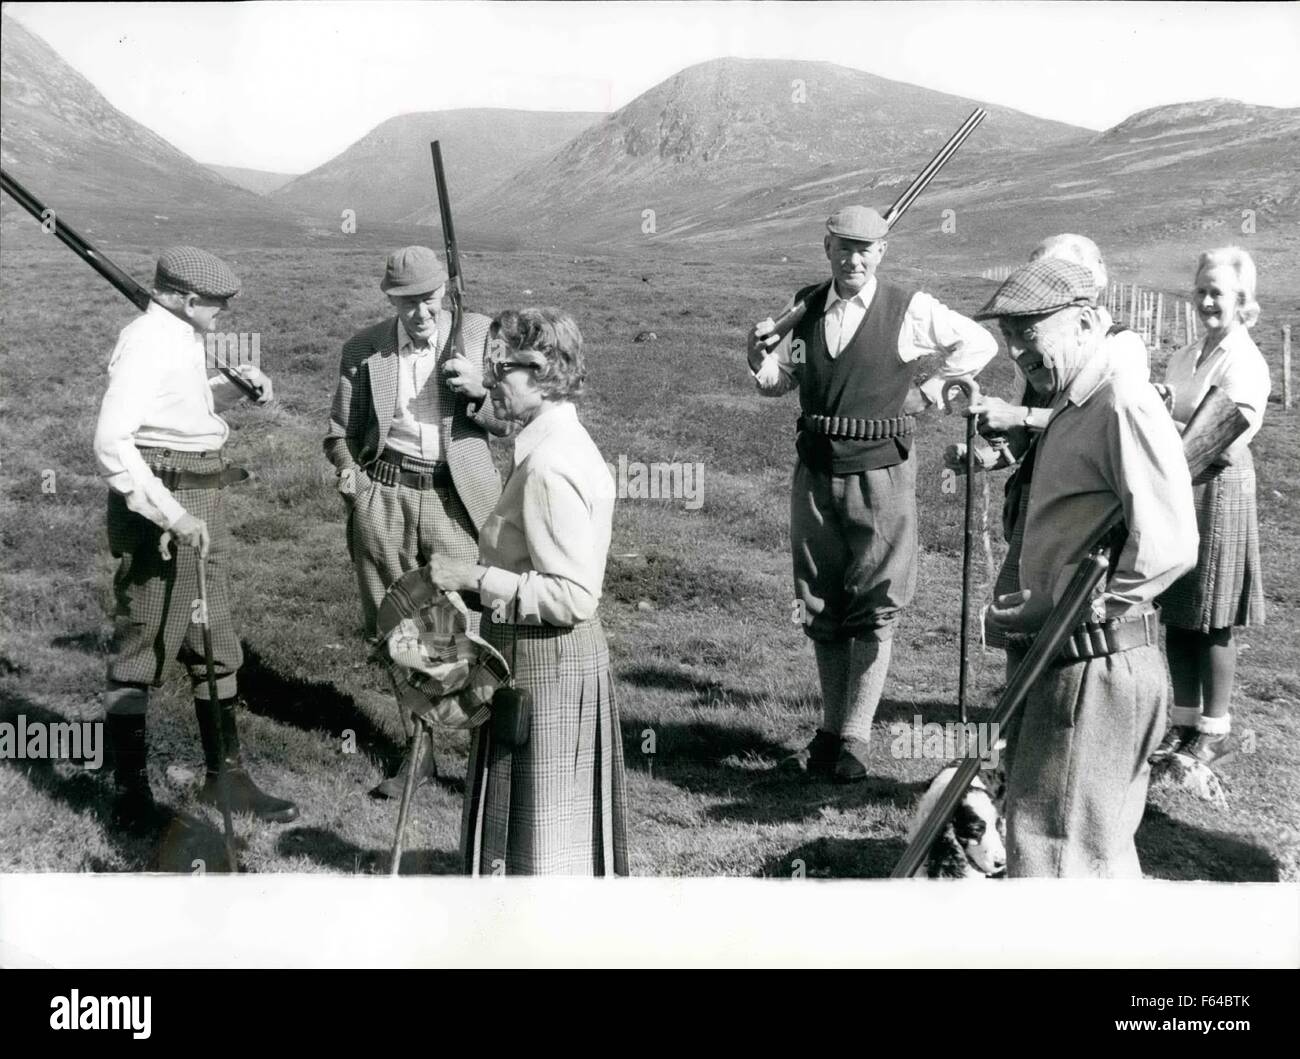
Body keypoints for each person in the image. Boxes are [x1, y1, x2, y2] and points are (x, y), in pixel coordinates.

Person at [746, 205, 997, 783]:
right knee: (820, 604)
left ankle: (855, 738)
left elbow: (978, 343)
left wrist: (932, 391)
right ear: (826, 246)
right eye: (843, 247)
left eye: (866, 249)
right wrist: (757, 356)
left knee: (876, 603)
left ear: (882, 252)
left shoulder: (907, 309)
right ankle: (829, 734)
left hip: (881, 473)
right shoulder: (804, 305)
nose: (854, 258)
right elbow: (780, 383)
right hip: (813, 473)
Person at [979, 257, 1197, 877]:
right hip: (1067, 656)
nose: (1017, 349)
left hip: (1095, 663)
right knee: (1080, 852)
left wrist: (1084, 607)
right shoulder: (1075, 400)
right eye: (1009, 333)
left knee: (1058, 858)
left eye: (1030, 330)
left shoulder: (1120, 403)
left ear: (1086, 322)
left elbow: (1171, 540)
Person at [94, 245, 297, 831]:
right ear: (185, 299)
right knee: (144, 643)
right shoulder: (146, 340)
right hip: (163, 503)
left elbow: (179, 408)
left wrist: (232, 392)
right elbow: (113, 441)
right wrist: (170, 515)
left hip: (201, 495)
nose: (223, 316)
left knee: (213, 635)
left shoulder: (178, 337)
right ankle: (129, 796)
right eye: (218, 306)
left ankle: (226, 781)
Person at [422, 308, 628, 875]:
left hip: (543, 662)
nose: (489, 382)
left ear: (539, 371)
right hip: (548, 660)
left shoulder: (548, 466)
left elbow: (573, 595)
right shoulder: (558, 441)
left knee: (537, 844)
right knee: (550, 840)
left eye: (499, 369)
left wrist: (473, 578)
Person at [324, 246, 511, 797]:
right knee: (398, 626)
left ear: (446, 293)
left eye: (429, 301)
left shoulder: (480, 335)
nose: (420, 315)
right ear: (390, 300)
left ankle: (488, 756)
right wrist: (354, 481)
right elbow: (339, 433)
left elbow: (509, 418)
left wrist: (480, 391)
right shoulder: (364, 350)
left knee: (461, 627)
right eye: (407, 304)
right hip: (384, 498)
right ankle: (420, 751)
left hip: (456, 501)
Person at [1152, 247, 1270, 766]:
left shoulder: (1245, 361)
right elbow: (1178, 413)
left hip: (1219, 489)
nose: (1205, 301)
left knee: (1212, 617)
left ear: (1242, 300)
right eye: (1200, 290)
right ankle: (1181, 724)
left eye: (1217, 292)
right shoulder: (1188, 354)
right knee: (1178, 612)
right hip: (1180, 485)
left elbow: (1225, 439)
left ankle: (1214, 729)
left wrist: (1158, 419)